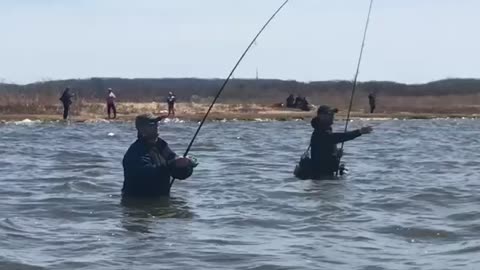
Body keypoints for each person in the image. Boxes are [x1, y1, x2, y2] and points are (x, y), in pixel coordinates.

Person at [122, 113, 197, 198]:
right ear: (141, 129)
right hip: (137, 201)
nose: (156, 126)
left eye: (157, 123)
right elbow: (147, 173)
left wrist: (186, 166)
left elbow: (177, 172)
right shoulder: (135, 151)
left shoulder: (161, 145)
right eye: (151, 124)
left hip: (161, 199)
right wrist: (172, 164)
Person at [308, 105, 372, 178]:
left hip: (327, 176)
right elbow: (338, 137)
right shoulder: (320, 132)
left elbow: (325, 152)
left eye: (333, 114)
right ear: (321, 116)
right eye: (330, 114)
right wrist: (359, 132)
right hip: (321, 176)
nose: (332, 116)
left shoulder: (324, 130)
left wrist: (336, 155)